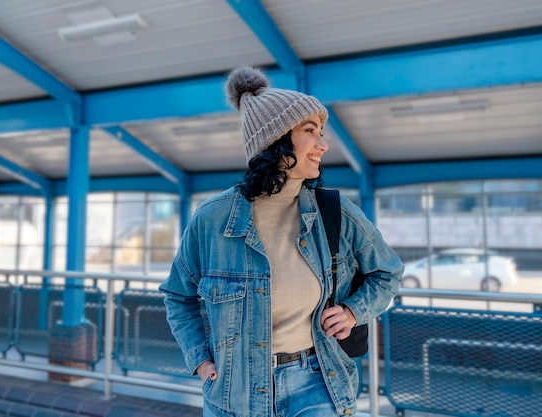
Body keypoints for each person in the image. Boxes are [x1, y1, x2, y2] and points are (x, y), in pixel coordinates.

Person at [159, 66, 404, 417]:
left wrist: (353, 311)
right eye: (310, 131)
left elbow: (388, 272)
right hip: (235, 394)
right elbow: (178, 295)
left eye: (321, 132)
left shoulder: (335, 212)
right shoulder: (212, 219)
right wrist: (199, 359)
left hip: (318, 386)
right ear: (275, 139)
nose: (324, 143)